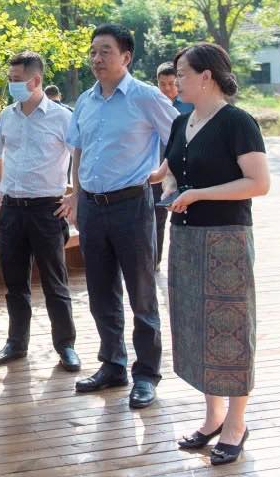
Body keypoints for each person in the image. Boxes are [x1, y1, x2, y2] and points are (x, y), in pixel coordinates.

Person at [150, 43, 270, 466]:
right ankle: (213, 416)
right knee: (196, 326)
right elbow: (172, 174)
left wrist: (199, 194)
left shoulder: (238, 122)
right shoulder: (180, 122)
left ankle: (236, 422)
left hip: (226, 240)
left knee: (229, 327)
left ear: (206, 77)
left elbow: (258, 183)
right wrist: (169, 188)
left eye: (182, 73)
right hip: (185, 238)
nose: (175, 80)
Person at [60, 24, 177, 409]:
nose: (97, 58)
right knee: (100, 291)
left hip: (132, 205)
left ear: (126, 57)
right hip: (92, 207)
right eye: (93, 51)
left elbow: (181, 136)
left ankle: (146, 374)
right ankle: (113, 365)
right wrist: (77, 194)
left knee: (142, 293)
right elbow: (78, 150)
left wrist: (161, 172)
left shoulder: (145, 97)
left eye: (105, 51)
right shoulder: (85, 101)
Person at [0, 51, 80, 372]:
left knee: (55, 282)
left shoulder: (62, 117)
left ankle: (66, 345)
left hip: (47, 210)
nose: (11, 84)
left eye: (16, 80)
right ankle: (16, 343)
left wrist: (75, 195)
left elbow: (80, 155)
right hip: (12, 210)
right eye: (10, 79)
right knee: (14, 283)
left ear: (35, 80)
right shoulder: (7, 116)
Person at [152, 62, 194, 270]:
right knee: (156, 217)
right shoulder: (152, 105)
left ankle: (187, 260)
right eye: (163, 84)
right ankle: (155, 260)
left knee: (182, 214)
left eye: (171, 83)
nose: (168, 88)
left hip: (181, 170)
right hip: (156, 168)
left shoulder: (189, 104)